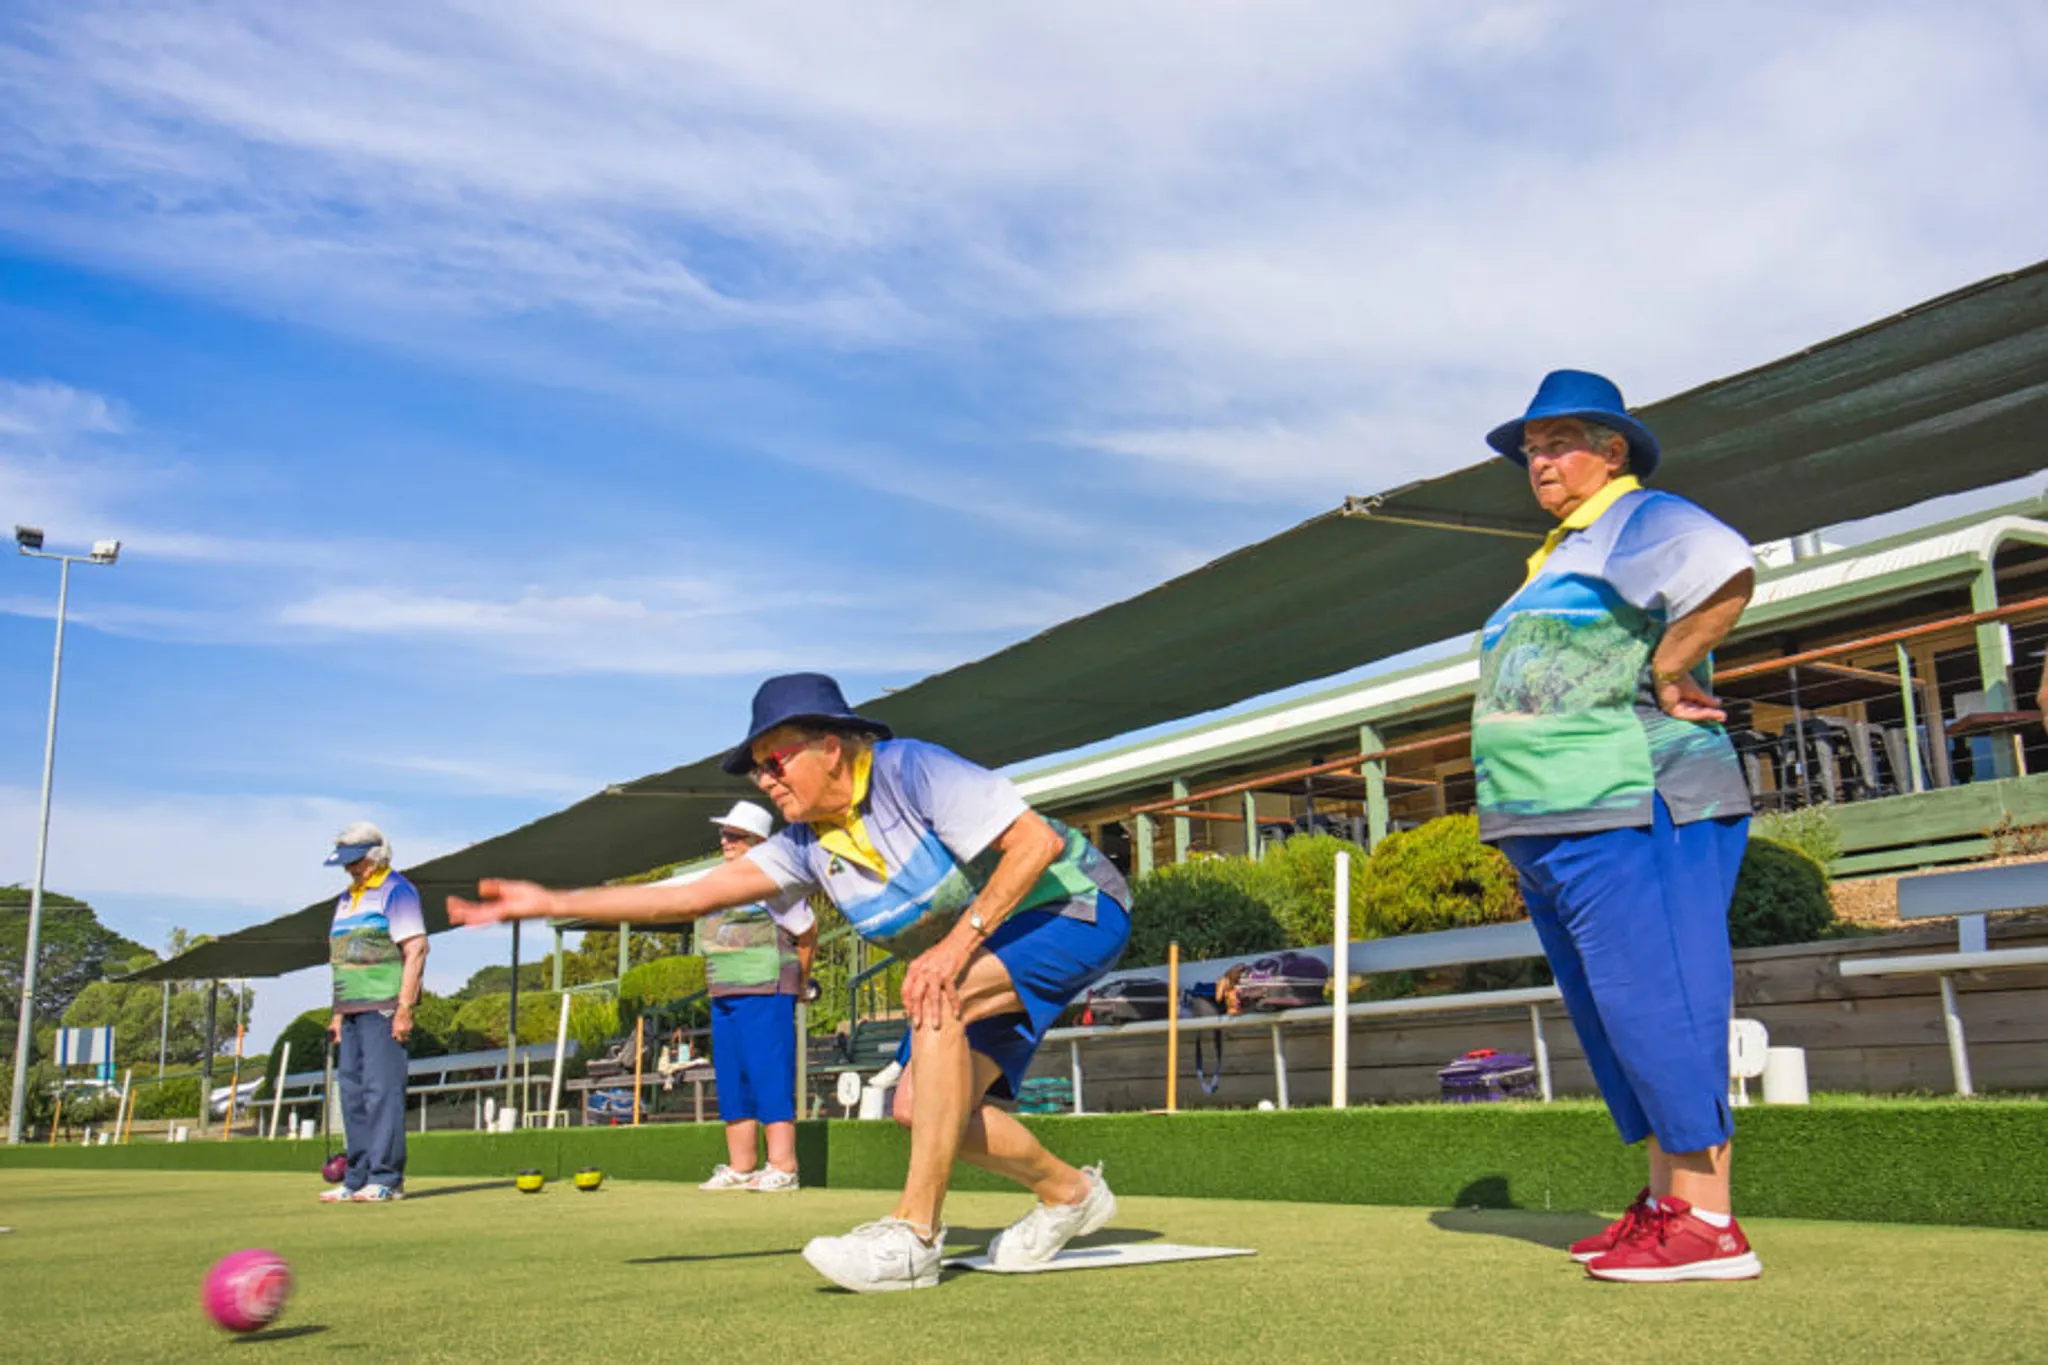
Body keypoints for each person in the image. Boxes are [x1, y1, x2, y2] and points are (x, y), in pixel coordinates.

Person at [450, 673, 1132, 1292]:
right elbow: (689, 896)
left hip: (1076, 906)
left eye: (775, 762)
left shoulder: (911, 769)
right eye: (758, 771)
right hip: (982, 952)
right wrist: (550, 901)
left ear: (830, 747)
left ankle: (915, 1236)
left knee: (934, 996)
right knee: (916, 1108)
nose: (766, 782)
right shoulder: (807, 845)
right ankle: (1070, 1195)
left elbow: (1035, 844)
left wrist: (953, 948)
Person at [1471, 371, 1762, 1282]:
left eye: (1559, 443)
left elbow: (1724, 561)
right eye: (1532, 449)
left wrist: (1673, 665)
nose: (1541, 461)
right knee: (1619, 1013)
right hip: (1559, 816)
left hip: (1639, 801)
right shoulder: (1567, 549)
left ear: (1613, 451)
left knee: (1661, 998)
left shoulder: (1640, 515)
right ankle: (1669, 1204)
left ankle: (1710, 1224)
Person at [695, 799, 818, 1193]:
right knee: (733, 1079)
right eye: (724, 834)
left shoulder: (775, 885)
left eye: (736, 835)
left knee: (769, 1076)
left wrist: (800, 982)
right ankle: (742, 1166)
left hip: (767, 990)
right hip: (724, 993)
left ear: (759, 842)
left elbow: (807, 932)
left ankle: (783, 1166)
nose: (725, 841)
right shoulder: (718, 882)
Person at [319, 822, 427, 1203]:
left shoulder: (397, 891)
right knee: (352, 1095)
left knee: (382, 1092)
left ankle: (386, 1177)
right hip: (350, 1009)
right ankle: (356, 1177)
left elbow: (416, 949)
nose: (350, 868)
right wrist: (336, 1013)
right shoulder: (346, 899)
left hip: (383, 1007)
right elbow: (340, 959)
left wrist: (404, 1008)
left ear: (376, 857)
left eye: (356, 861)